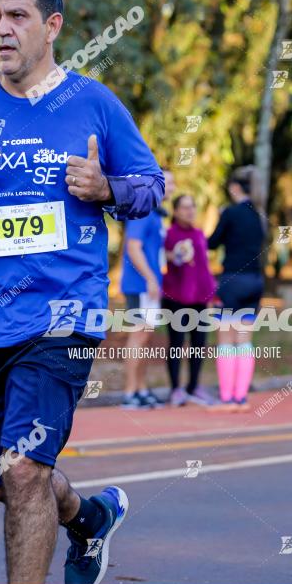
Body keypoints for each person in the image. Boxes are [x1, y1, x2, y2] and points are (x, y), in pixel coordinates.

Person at [0, 0, 164, 584]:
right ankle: (89, 517)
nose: (2, 29)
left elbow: (151, 186)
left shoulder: (94, 103)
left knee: (24, 469)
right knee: (2, 475)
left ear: (51, 27)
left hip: (63, 315)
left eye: (17, 16)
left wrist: (106, 187)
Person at [207, 166, 266, 411]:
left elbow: (212, 243)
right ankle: (241, 398)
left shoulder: (230, 213)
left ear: (234, 188)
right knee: (244, 340)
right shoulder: (260, 216)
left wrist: (221, 216)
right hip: (255, 281)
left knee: (225, 339)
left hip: (232, 280)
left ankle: (226, 398)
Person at [120, 170, 175, 408]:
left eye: (172, 183)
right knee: (138, 336)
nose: (171, 187)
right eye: (167, 182)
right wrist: (151, 278)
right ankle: (130, 392)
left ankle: (141, 389)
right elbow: (133, 247)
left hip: (150, 285)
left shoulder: (156, 213)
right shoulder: (141, 210)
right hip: (140, 285)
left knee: (146, 338)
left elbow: (153, 251)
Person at [162, 194, 217, 406]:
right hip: (175, 298)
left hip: (200, 299)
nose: (189, 211)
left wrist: (212, 294)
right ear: (175, 211)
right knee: (176, 344)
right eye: (184, 207)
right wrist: (172, 254)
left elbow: (204, 268)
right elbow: (162, 258)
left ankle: (194, 386)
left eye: (192, 207)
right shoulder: (168, 234)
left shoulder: (199, 234)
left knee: (199, 345)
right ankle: (176, 389)